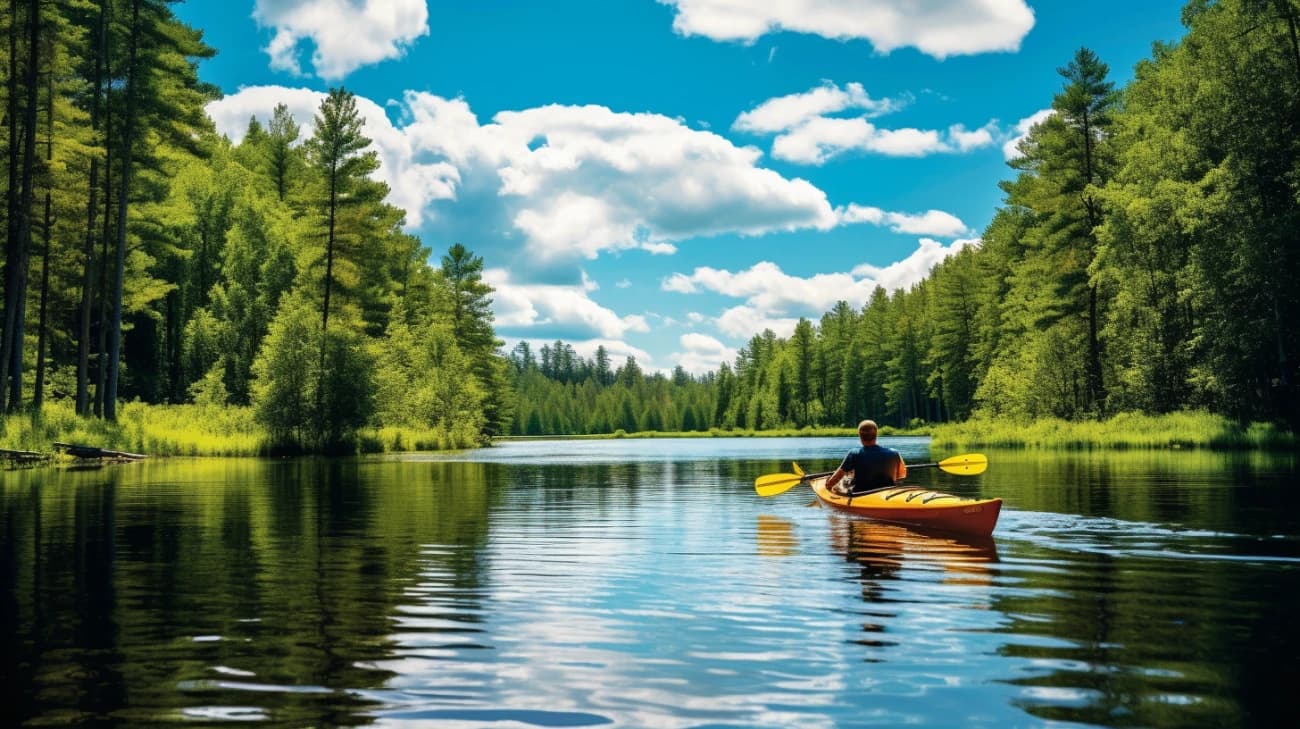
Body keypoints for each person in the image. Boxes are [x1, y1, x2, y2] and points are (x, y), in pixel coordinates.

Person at [825, 419, 907, 496]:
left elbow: (836, 478)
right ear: (876, 435)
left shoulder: (854, 453)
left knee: (838, 485)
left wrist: (828, 485)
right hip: (887, 494)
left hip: (860, 494)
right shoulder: (894, 453)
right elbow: (901, 475)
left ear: (860, 436)